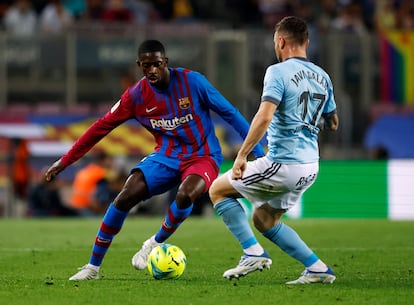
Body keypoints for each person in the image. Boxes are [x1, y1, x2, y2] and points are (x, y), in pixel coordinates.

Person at [44, 39, 265, 280]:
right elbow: (100, 128)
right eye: (146, 66)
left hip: (203, 155)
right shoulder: (136, 96)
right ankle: (92, 267)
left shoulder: (193, 82)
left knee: (185, 194)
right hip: (166, 156)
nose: (152, 70)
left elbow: (229, 113)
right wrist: (65, 161)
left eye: (156, 64)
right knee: (126, 195)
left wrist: (258, 151)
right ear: (139, 65)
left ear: (165, 62)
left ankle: (154, 242)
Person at [209, 16, 339, 284]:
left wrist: (242, 155)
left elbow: (265, 116)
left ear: (281, 41)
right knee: (264, 218)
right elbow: (333, 122)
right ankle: (317, 269)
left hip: (283, 163)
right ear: (307, 42)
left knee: (217, 190)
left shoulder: (277, 72)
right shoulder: (323, 77)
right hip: (310, 167)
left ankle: (251, 253)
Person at [70, 151, 114, 216]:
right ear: (102, 161)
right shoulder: (99, 171)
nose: (112, 162)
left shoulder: (87, 169)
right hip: (87, 205)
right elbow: (115, 178)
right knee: (105, 186)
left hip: (76, 203)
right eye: (110, 160)